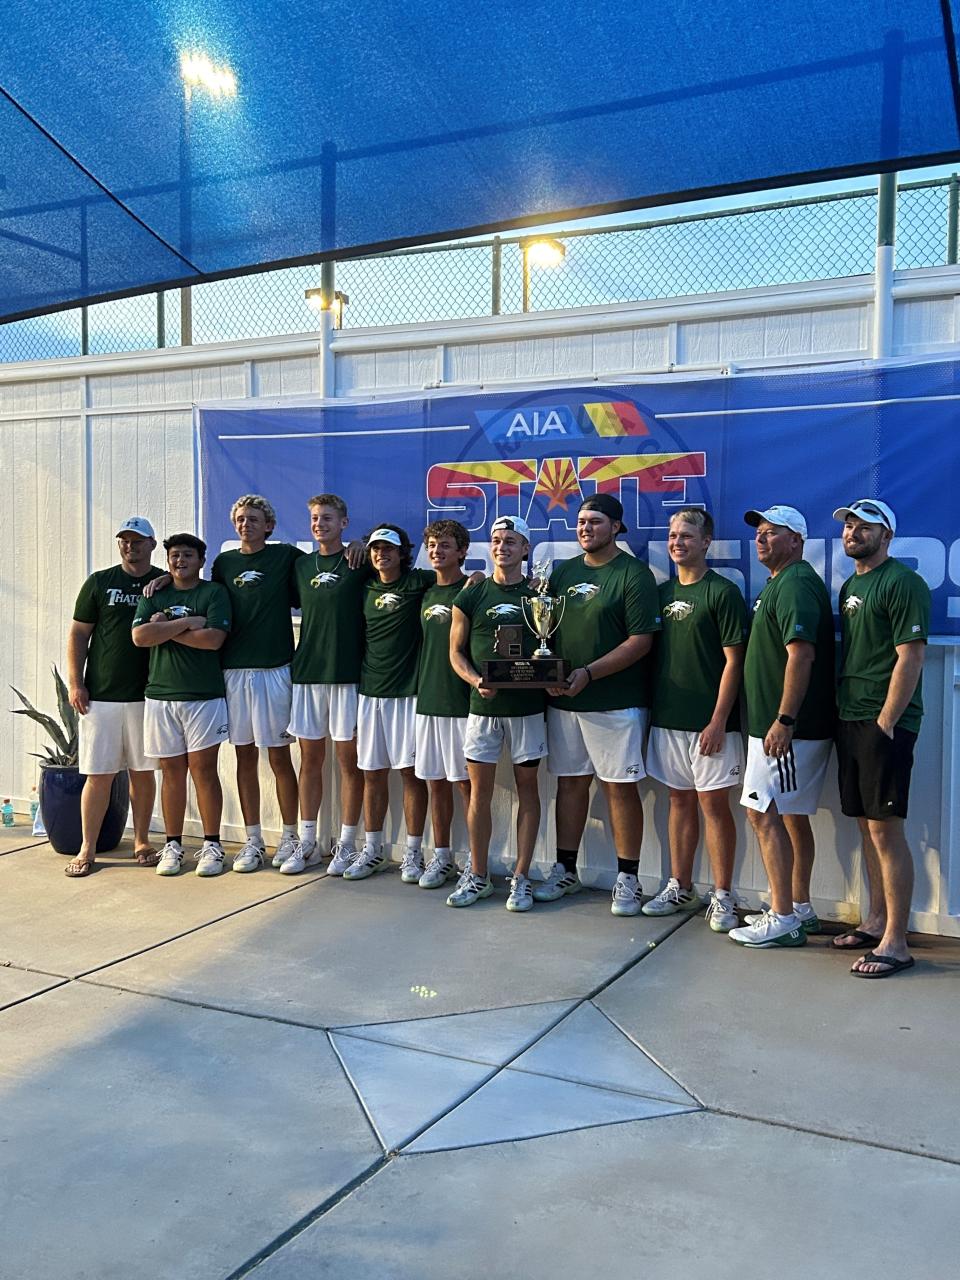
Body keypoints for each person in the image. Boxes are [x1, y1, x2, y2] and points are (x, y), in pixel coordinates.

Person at [540, 494, 660, 918]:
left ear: (616, 527)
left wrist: (589, 673)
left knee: (618, 789)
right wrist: (547, 675)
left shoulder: (634, 575)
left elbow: (640, 641)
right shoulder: (563, 574)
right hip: (564, 703)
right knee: (569, 785)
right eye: (581, 521)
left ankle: (628, 877)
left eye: (595, 521)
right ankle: (566, 869)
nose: (585, 528)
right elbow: (546, 635)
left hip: (615, 704)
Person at [729, 505, 835, 948]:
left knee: (761, 812)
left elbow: (802, 655)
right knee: (788, 815)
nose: (762, 539)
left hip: (787, 729)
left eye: (773, 533)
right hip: (774, 727)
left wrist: (784, 719)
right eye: (759, 533)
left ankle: (783, 914)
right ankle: (800, 906)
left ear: (796, 541)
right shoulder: (780, 583)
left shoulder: (796, 584)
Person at [832, 498, 930, 977]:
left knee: (886, 829)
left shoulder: (903, 582)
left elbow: (910, 655)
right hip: (850, 718)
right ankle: (875, 920)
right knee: (865, 824)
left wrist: (887, 720)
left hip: (882, 723)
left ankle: (897, 941)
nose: (852, 531)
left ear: (886, 535)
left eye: (864, 525)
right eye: (849, 524)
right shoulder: (852, 584)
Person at [643, 508, 748, 931]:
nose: (677, 542)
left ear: (706, 542)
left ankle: (722, 895)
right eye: (672, 535)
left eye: (687, 535)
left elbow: (734, 662)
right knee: (679, 800)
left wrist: (719, 719)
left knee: (714, 806)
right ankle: (680, 884)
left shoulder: (723, 593)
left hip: (711, 725)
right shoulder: (661, 594)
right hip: (668, 719)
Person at [448, 515, 547, 912]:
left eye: (510, 540)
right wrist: (475, 680)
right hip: (482, 707)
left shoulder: (541, 594)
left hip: (527, 710)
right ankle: (478, 874)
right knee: (478, 794)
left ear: (525, 549)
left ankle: (521, 878)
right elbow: (455, 652)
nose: (502, 546)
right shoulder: (471, 594)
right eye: (495, 540)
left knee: (528, 791)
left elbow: (551, 648)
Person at [64, 517, 165, 877]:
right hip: (101, 697)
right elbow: (78, 635)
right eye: (124, 540)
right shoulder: (100, 582)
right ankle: (87, 848)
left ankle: (141, 841)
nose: (130, 546)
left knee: (142, 773)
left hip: (147, 695)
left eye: (138, 541)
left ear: (152, 544)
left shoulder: (162, 583)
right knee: (99, 775)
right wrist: (76, 684)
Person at [211, 496, 305, 873]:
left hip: (275, 669)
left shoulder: (286, 558)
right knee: (244, 755)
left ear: (269, 524)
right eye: (239, 519)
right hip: (234, 671)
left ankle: (290, 837)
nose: (245, 524)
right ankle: (252, 840)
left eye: (253, 518)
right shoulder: (224, 563)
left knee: (280, 756)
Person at [131, 533, 232, 876]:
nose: (180, 561)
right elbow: (141, 637)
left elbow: (213, 640)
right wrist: (188, 623)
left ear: (201, 560)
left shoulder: (213, 593)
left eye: (187, 555)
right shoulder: (155, 592)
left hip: (203, 696)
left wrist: (164, 627)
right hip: (160, 695)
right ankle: (173, 844)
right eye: (174, 556)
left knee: (203, 770)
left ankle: (212, 845)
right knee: (171, 772)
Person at [343, 525, 435, 881]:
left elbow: (451, 582)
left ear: (402, 553)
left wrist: (475, 577)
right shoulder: (362, 584)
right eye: (376, 549)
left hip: (407, 695)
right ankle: (373, 850)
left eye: (389, 549)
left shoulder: (418, 582)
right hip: (369, 695)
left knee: (410, 775)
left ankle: (413, 853)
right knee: (372, 775)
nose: (382, 554)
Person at [285, 494, 367, 876]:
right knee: (310, 760)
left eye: (328, 518)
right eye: (315, 518)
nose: (320, 524)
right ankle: (308, 843)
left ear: (344, 523)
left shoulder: (359, 561)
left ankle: (348, 844)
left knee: (348, 762)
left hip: (348, 675)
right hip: (307, 675)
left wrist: (363, 546)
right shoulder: (299, 565)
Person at [413, 519, 472, 889]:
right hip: (427, 699)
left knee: (467, 786)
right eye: (432, 545)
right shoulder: (422, 589)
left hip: (461, 703)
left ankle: (473, 860)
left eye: (445, 546)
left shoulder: (473, 588)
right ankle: (443, 856)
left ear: (462, 551)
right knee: (436, 783)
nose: (437, 551)